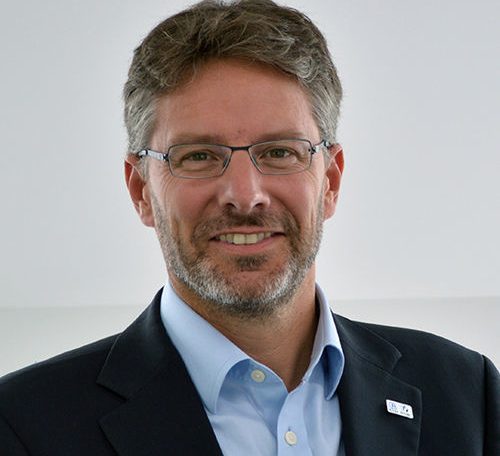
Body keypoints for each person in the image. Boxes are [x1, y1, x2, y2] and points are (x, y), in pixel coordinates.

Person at [0, 0, 498, 454]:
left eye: (279, 151)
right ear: (141, 190)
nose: (245, 194)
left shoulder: (466, 394)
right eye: (198, 156)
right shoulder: (23, 425)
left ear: (330, 181)